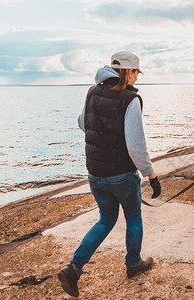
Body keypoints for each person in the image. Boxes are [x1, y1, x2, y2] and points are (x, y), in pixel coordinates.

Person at [57, 51, 162, 297]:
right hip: (122, 175)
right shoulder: (130, 99)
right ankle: (133, 264)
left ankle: (74, 268)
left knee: (106, 219)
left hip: (95, 174)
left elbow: (83, 123)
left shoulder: (92, 92)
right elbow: (136, 145)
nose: (138, 77)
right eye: (137, 72)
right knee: (134, 218)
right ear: (129, 72)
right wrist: (152, 175)